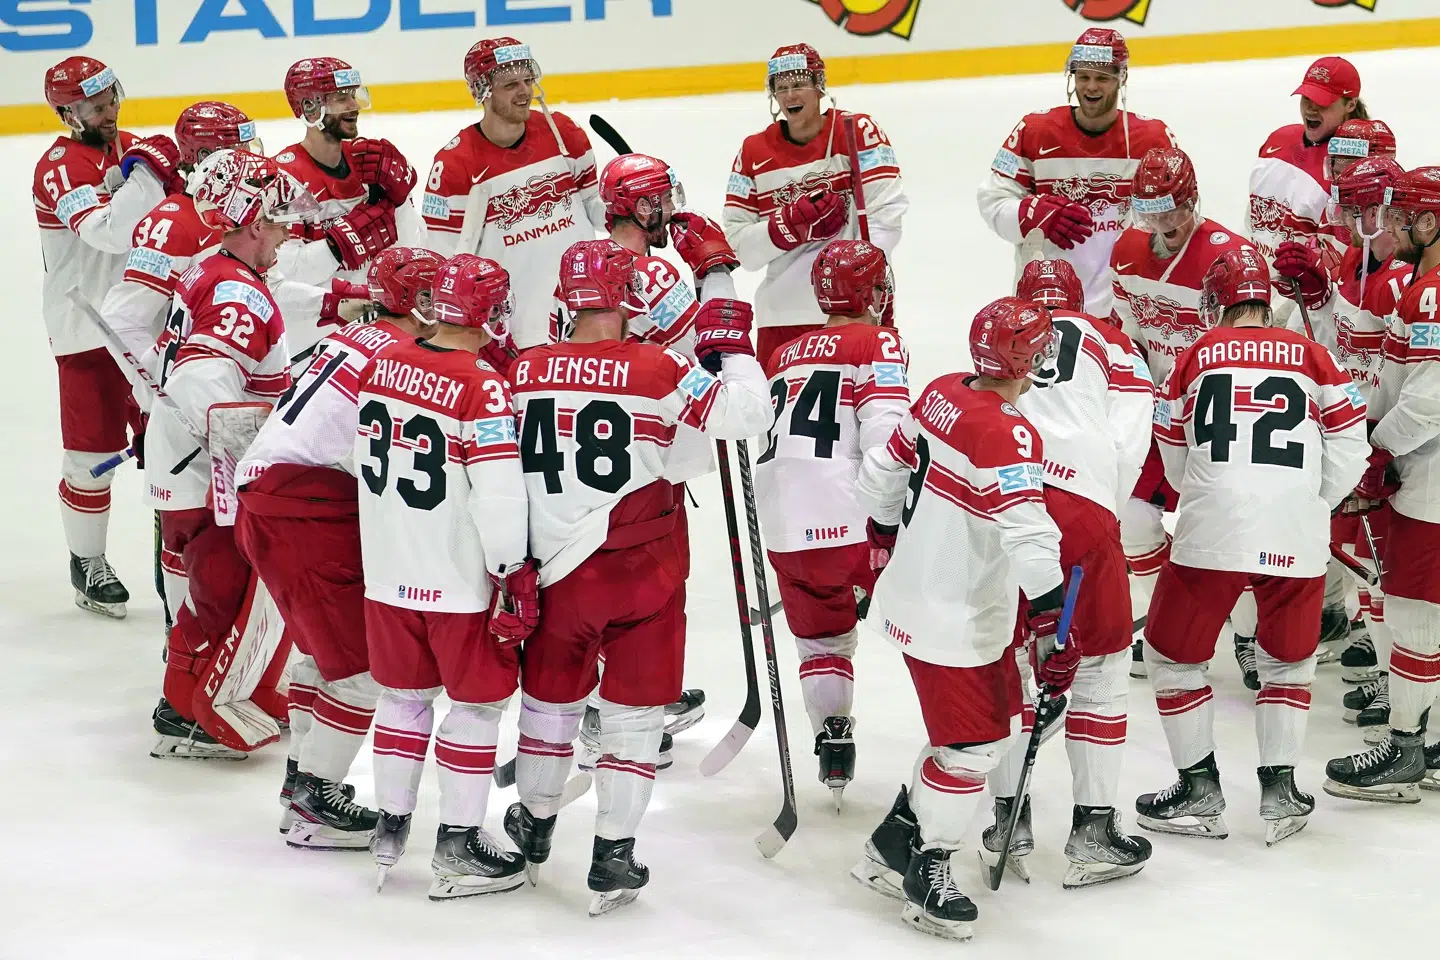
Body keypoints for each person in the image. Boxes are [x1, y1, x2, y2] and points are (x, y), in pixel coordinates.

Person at [504, 239, 771, 916]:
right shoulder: (657, 366)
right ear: (629, 297)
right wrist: (731, 348)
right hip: (642, 568)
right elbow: (746, 416)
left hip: (555, 570)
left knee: (550, 703)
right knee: (633, 715)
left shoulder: (525, 369)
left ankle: (535, 823)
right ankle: (613, 853)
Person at [850, 297, 1072, 941]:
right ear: (1024, 359)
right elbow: (1030, 537)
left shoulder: (940, 393)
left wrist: (884, 536)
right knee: (974, 747)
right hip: (958, 616)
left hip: (914, 595)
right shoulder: (1009, 433)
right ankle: (929, 869)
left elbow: (881, 472)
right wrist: (1052, 619)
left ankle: (892, 844)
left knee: (974, 735)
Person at [1138, 249, 1368, 845]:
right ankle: (1281, 791)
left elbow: (1174, 458)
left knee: (1172, 659)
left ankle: (1197, 788)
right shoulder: (1315, 356)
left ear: (1217, 303)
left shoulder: (1193, 356)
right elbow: (1352, 451)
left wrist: (1218, 494)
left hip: (1212, 531)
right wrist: (1305, 500)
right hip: (1296, 530)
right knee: (1288, 664)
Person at [235, 246, 443, 848]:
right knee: (363, 669)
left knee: (322, 656)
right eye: (434, 296)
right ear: (416, 303)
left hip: (269, 500)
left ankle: (302, 786)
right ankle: (314, 803)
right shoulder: (402, 359)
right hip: (303, 511)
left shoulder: (352, 336)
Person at [355, 253, 538, 898]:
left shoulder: (380, 363)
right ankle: (458, 841)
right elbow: (498, 494)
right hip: (456, 579)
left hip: (387, 571)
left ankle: (389, 826)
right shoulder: (480, 386)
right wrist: (512, 572)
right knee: (477, 706)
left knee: (402, 698)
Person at [550, 154, 739, 763]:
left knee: (587, 578)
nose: (673, 209)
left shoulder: (578, 266)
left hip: (575, 449)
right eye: (663, 199)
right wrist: (712, 272)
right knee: (648, 587)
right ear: (641, 206)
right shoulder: (654, 275)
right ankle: (623, 710)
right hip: (647, 451)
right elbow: (710, 348)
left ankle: (611, 699)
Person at [976, 258, 1154, 887]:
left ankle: (1009, 818)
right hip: (1082, 506)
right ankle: (1093, 830)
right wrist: (1097, 511)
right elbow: (1129, 445)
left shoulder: (1001, 334)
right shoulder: (1114, 343)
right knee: (1101, 668)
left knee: (1007, 662)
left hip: (1004, 503)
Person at [144, 153, 320, 760]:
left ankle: (238, 689)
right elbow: (202, 383)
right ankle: (182, 709)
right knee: (223, 592)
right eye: (277, 219)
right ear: (252, 222)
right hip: (208, 471)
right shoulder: (237, 291)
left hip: (184, 461)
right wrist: (252, 466)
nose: (286, 230)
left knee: (227, 589)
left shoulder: (214, 267)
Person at [754, 238, 909, 807]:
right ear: (872, 292)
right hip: (849, 520)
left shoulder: (784, 353)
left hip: (781, 526)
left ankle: (832, 736)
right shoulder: (879, 341)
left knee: (821, 641)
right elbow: (886, 442)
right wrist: (887, 529)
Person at [34, 55, 184, 617]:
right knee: (89, 454)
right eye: (93, 105)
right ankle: (87, 561)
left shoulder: (135, 149)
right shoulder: (60, 166)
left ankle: (180, 554)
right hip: (86, 330)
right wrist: (147, 176)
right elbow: (106, 232)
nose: (108, 110)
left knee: (171, 446)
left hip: (148, 323)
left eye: (110, 97)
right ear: (67, 114)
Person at [1110, 146, 1259, 675]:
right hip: (1158, 411)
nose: (1162, 225)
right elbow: (1127, 333)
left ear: (1192, 200)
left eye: (1171, 211)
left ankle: (1248, 635)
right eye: (1149, 212)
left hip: (1220, 415)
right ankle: (1162, 620)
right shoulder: (1127, 251)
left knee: (1232, 530)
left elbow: (1254, 344)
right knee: (1132, 518)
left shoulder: (1230, 257)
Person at [1275, 155, 1410, 708]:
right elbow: (1344, 347)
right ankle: (1392, 674)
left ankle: (1409, 685)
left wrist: (1387, 442)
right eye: (1348, 210)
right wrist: (1319, 300)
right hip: (1368, 438)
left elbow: (1407, 375)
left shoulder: (1407, 279)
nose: (1352, 223)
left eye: (1362, 211)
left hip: (1400, 444)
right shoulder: (1357, 260)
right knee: (1372, 571)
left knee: (1399, 578)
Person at [1325, 166, 1440, 801]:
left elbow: (1427, 403)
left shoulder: (1433, 294)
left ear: (1428, 221)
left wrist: (1377, 448)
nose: (1390, 226)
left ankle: (1407, 749)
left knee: (1412, 610)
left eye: (1401, 216)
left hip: (1429, 481)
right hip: (1425, 473)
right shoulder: (1424, 287)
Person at [722, 43, 907, 365]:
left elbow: (887, 212)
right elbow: (739, 247)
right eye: (782, 87)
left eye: (799, 84)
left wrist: (863, 277)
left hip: (854, 310)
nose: (790, 95)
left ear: (819, 86)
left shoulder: (858, 132)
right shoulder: (753, 151)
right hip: (781, 314)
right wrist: (785, 228)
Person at [976, 27, 1177, 318]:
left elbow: (1180, 214)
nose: (1091, 87)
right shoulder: (1035, 131)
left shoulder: (1153, 139)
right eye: (1083, 77)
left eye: (1102, 78)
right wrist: (1028, 213)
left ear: (1121, 78)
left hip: (1124, 310)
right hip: (1046, 304)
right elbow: (992, 201)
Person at [421, 38, 604, 349]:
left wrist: (626, 210)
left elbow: (591, 206)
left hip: (586, 319)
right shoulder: (453, 165)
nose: (524, 92)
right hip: (514, 335)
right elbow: (444, 261)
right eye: (510, 85)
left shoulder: (562, 132)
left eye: (527, 80)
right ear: (483, 90)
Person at [274, 57, 425, 358]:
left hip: (379, 332)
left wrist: (400, 203)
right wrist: (339, 246)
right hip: (315, 345)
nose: (353, 105)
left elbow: (413, 250)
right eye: (341, 98)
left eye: (353, 95)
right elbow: (283, 276)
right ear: (310, 108)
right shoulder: (286, 178)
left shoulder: (370, 162)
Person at [1248, 56, 1369, 272]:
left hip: (1303, 289)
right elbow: (1254, 221)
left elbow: (1339, 265)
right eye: (1306, 98)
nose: (1310, 109)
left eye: (1322, 102)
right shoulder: (1278, 141)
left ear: (1350, 104)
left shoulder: (1353, 170)